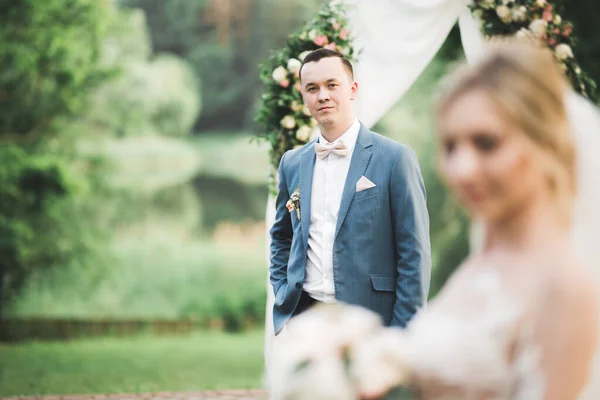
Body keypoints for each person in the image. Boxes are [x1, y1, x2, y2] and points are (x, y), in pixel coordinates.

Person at [390, 40, 599, 399]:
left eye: (486, 143)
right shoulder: (482, 262)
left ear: (545, 143)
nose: (461, 169)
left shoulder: (564, 285)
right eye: (451, 146)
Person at [268, 48, 432, 336]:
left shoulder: (396, 159)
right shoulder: (292, 163)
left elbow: (414, 255)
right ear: (304, 97)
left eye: (332, 85)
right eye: (312, 88)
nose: (323, 96)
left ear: (352, 89)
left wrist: (401, 334)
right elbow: (282, 236)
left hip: (372, 319)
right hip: (306, 319)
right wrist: (283, 289)